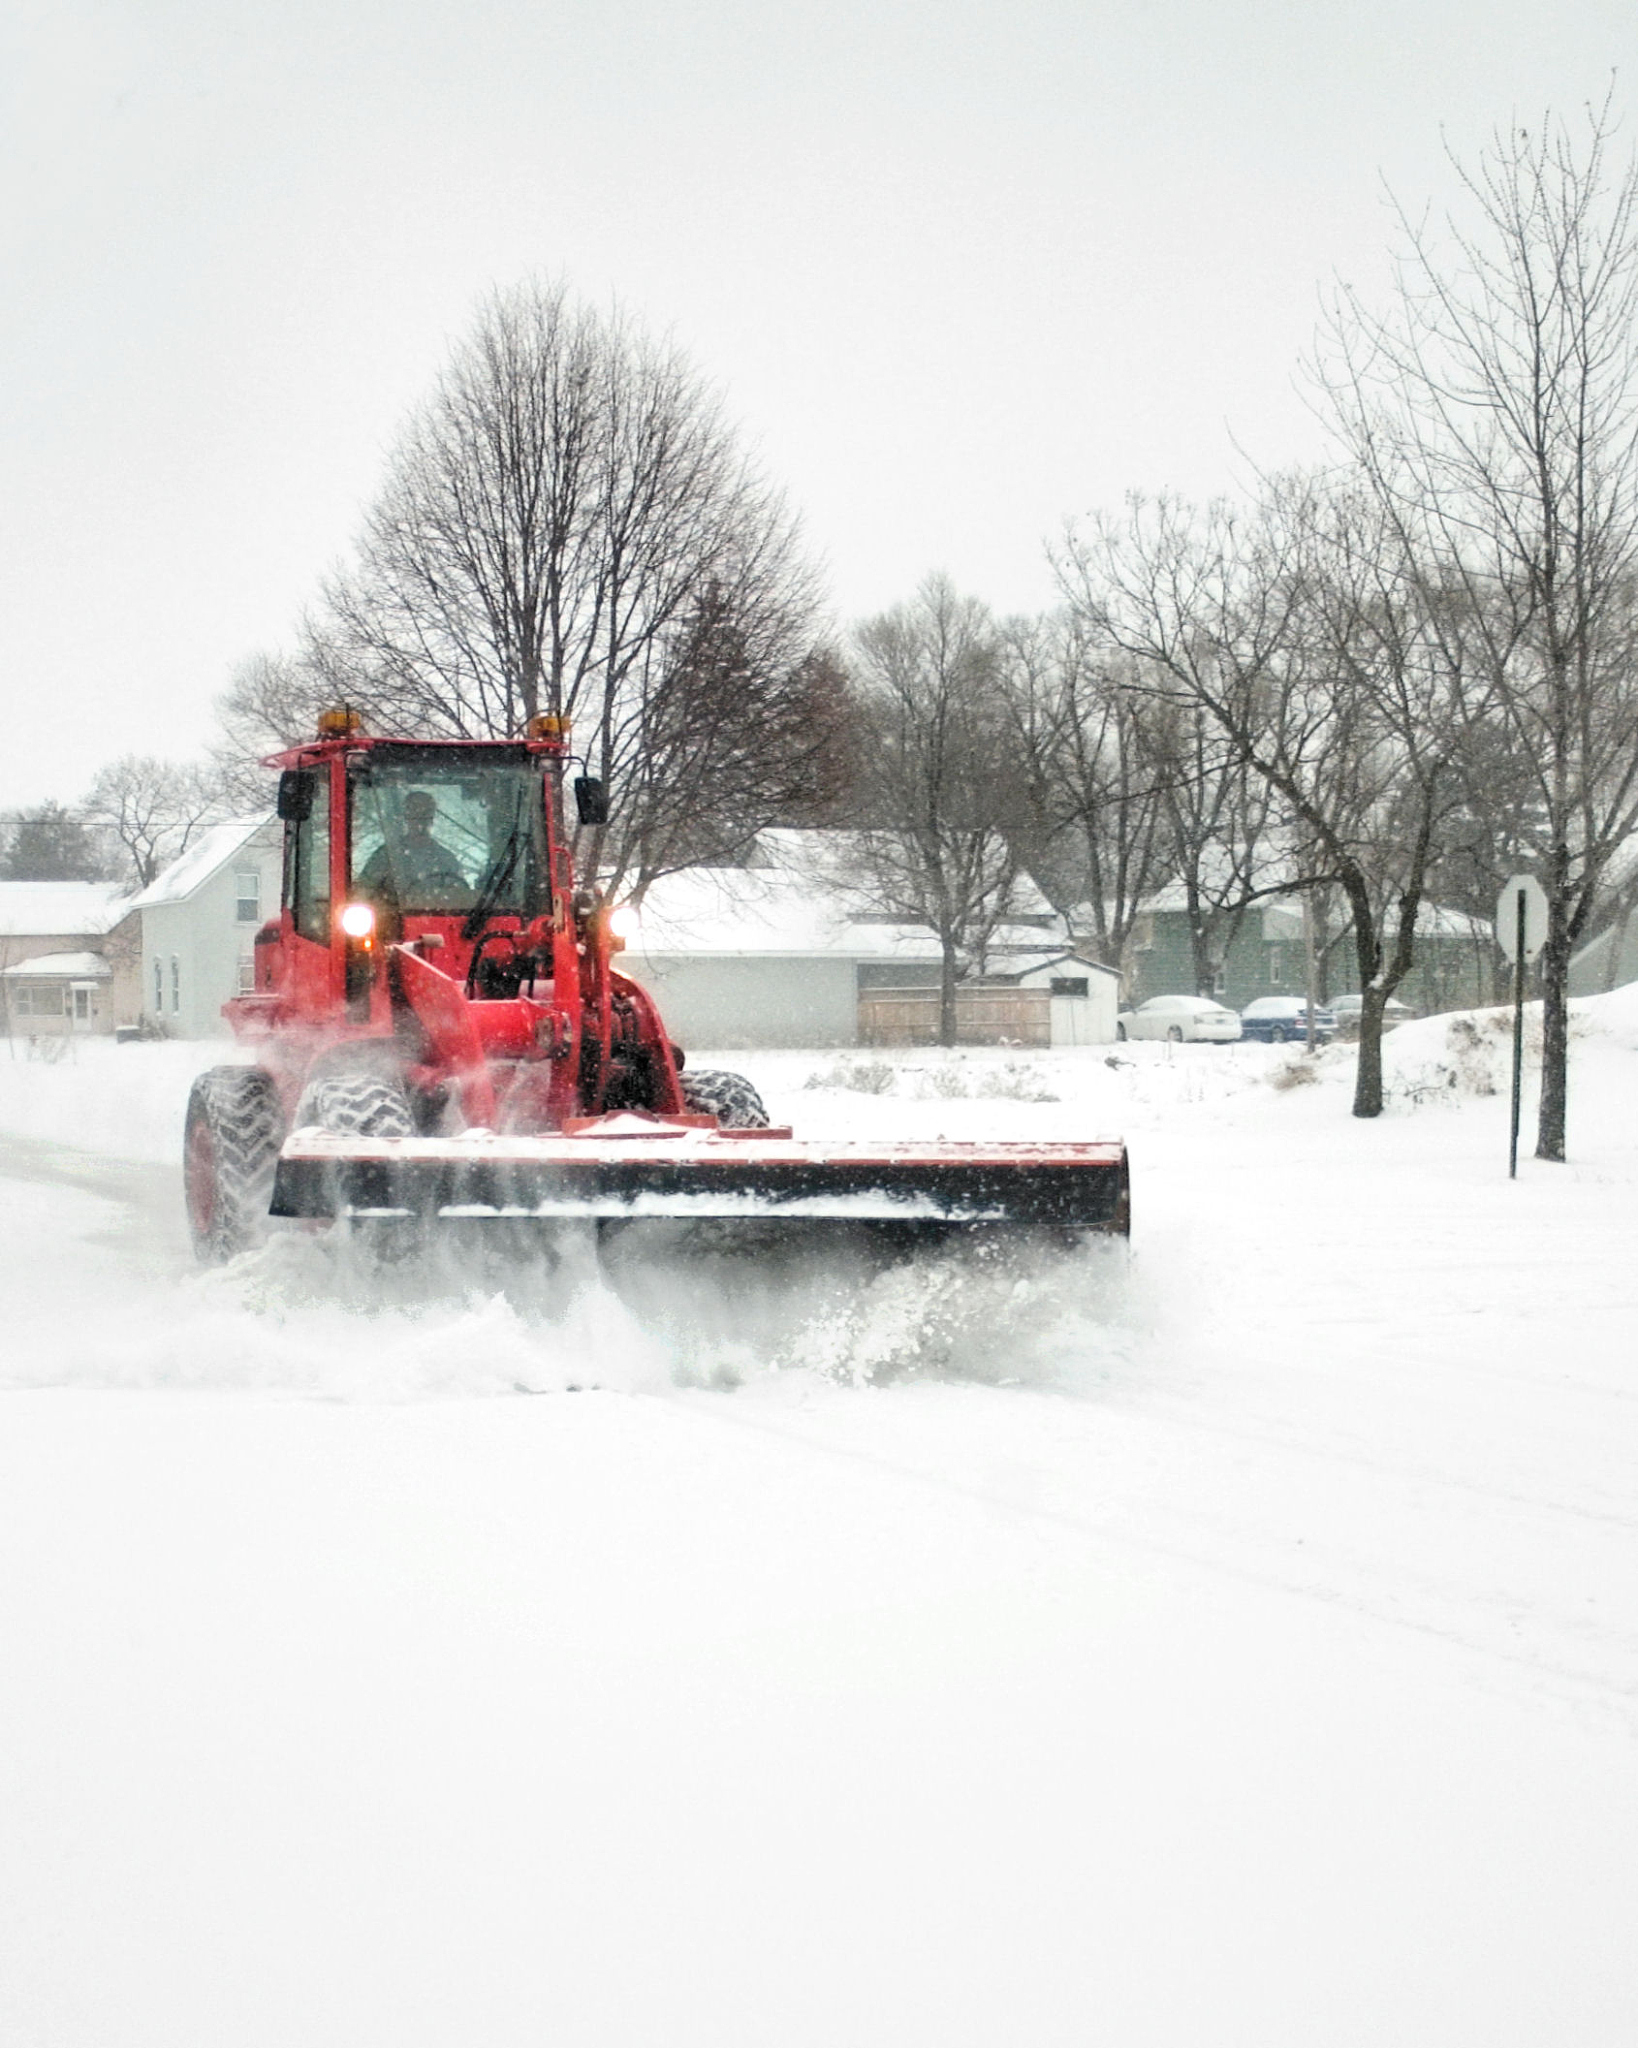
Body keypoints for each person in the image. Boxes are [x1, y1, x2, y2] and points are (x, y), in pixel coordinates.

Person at [359, 789, 469, 906]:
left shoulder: (446, 860)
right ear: (406, 816)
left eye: (426, 814)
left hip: (438, 921)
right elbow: (364, 894)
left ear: (432, 817)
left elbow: (460, 898)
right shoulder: (385, 857)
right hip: (393, 921)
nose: (420, 820)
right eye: (415, 813)